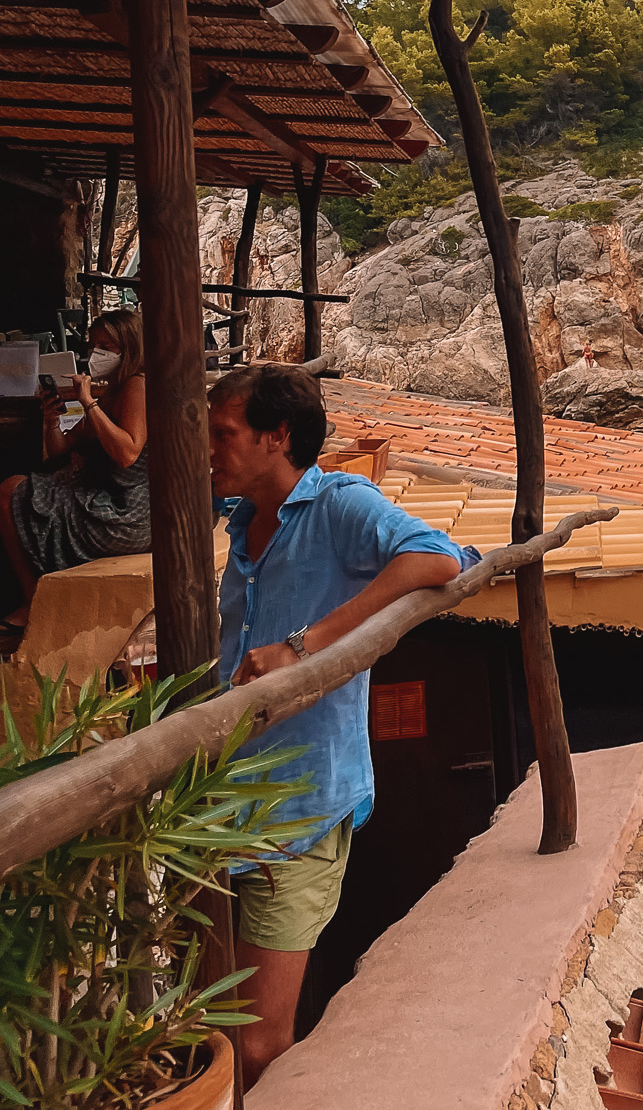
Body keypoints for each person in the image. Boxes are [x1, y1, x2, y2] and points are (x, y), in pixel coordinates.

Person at [209, 363, 471, 1083]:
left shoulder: (338, 504)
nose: (209, 447)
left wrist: (304, 646)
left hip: (296, 807)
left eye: (224, 433)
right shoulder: (239, 516)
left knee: (258, 1043)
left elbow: (436, 557)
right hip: (222, 803)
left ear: (277, 436)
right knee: (211, 1023)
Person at [0, 309, 149, 642]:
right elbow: (61, 448)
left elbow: (127, 453)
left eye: (106, 346)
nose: (97, 354)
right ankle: (33, 598)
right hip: (109, 501)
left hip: (126, 514)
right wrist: (51, 418)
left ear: (130, 347)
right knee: (16, 490)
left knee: (11, 493)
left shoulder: (137, 385)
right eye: (93, 345)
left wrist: (87, 401)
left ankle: (32, 602)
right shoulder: (113, 390)